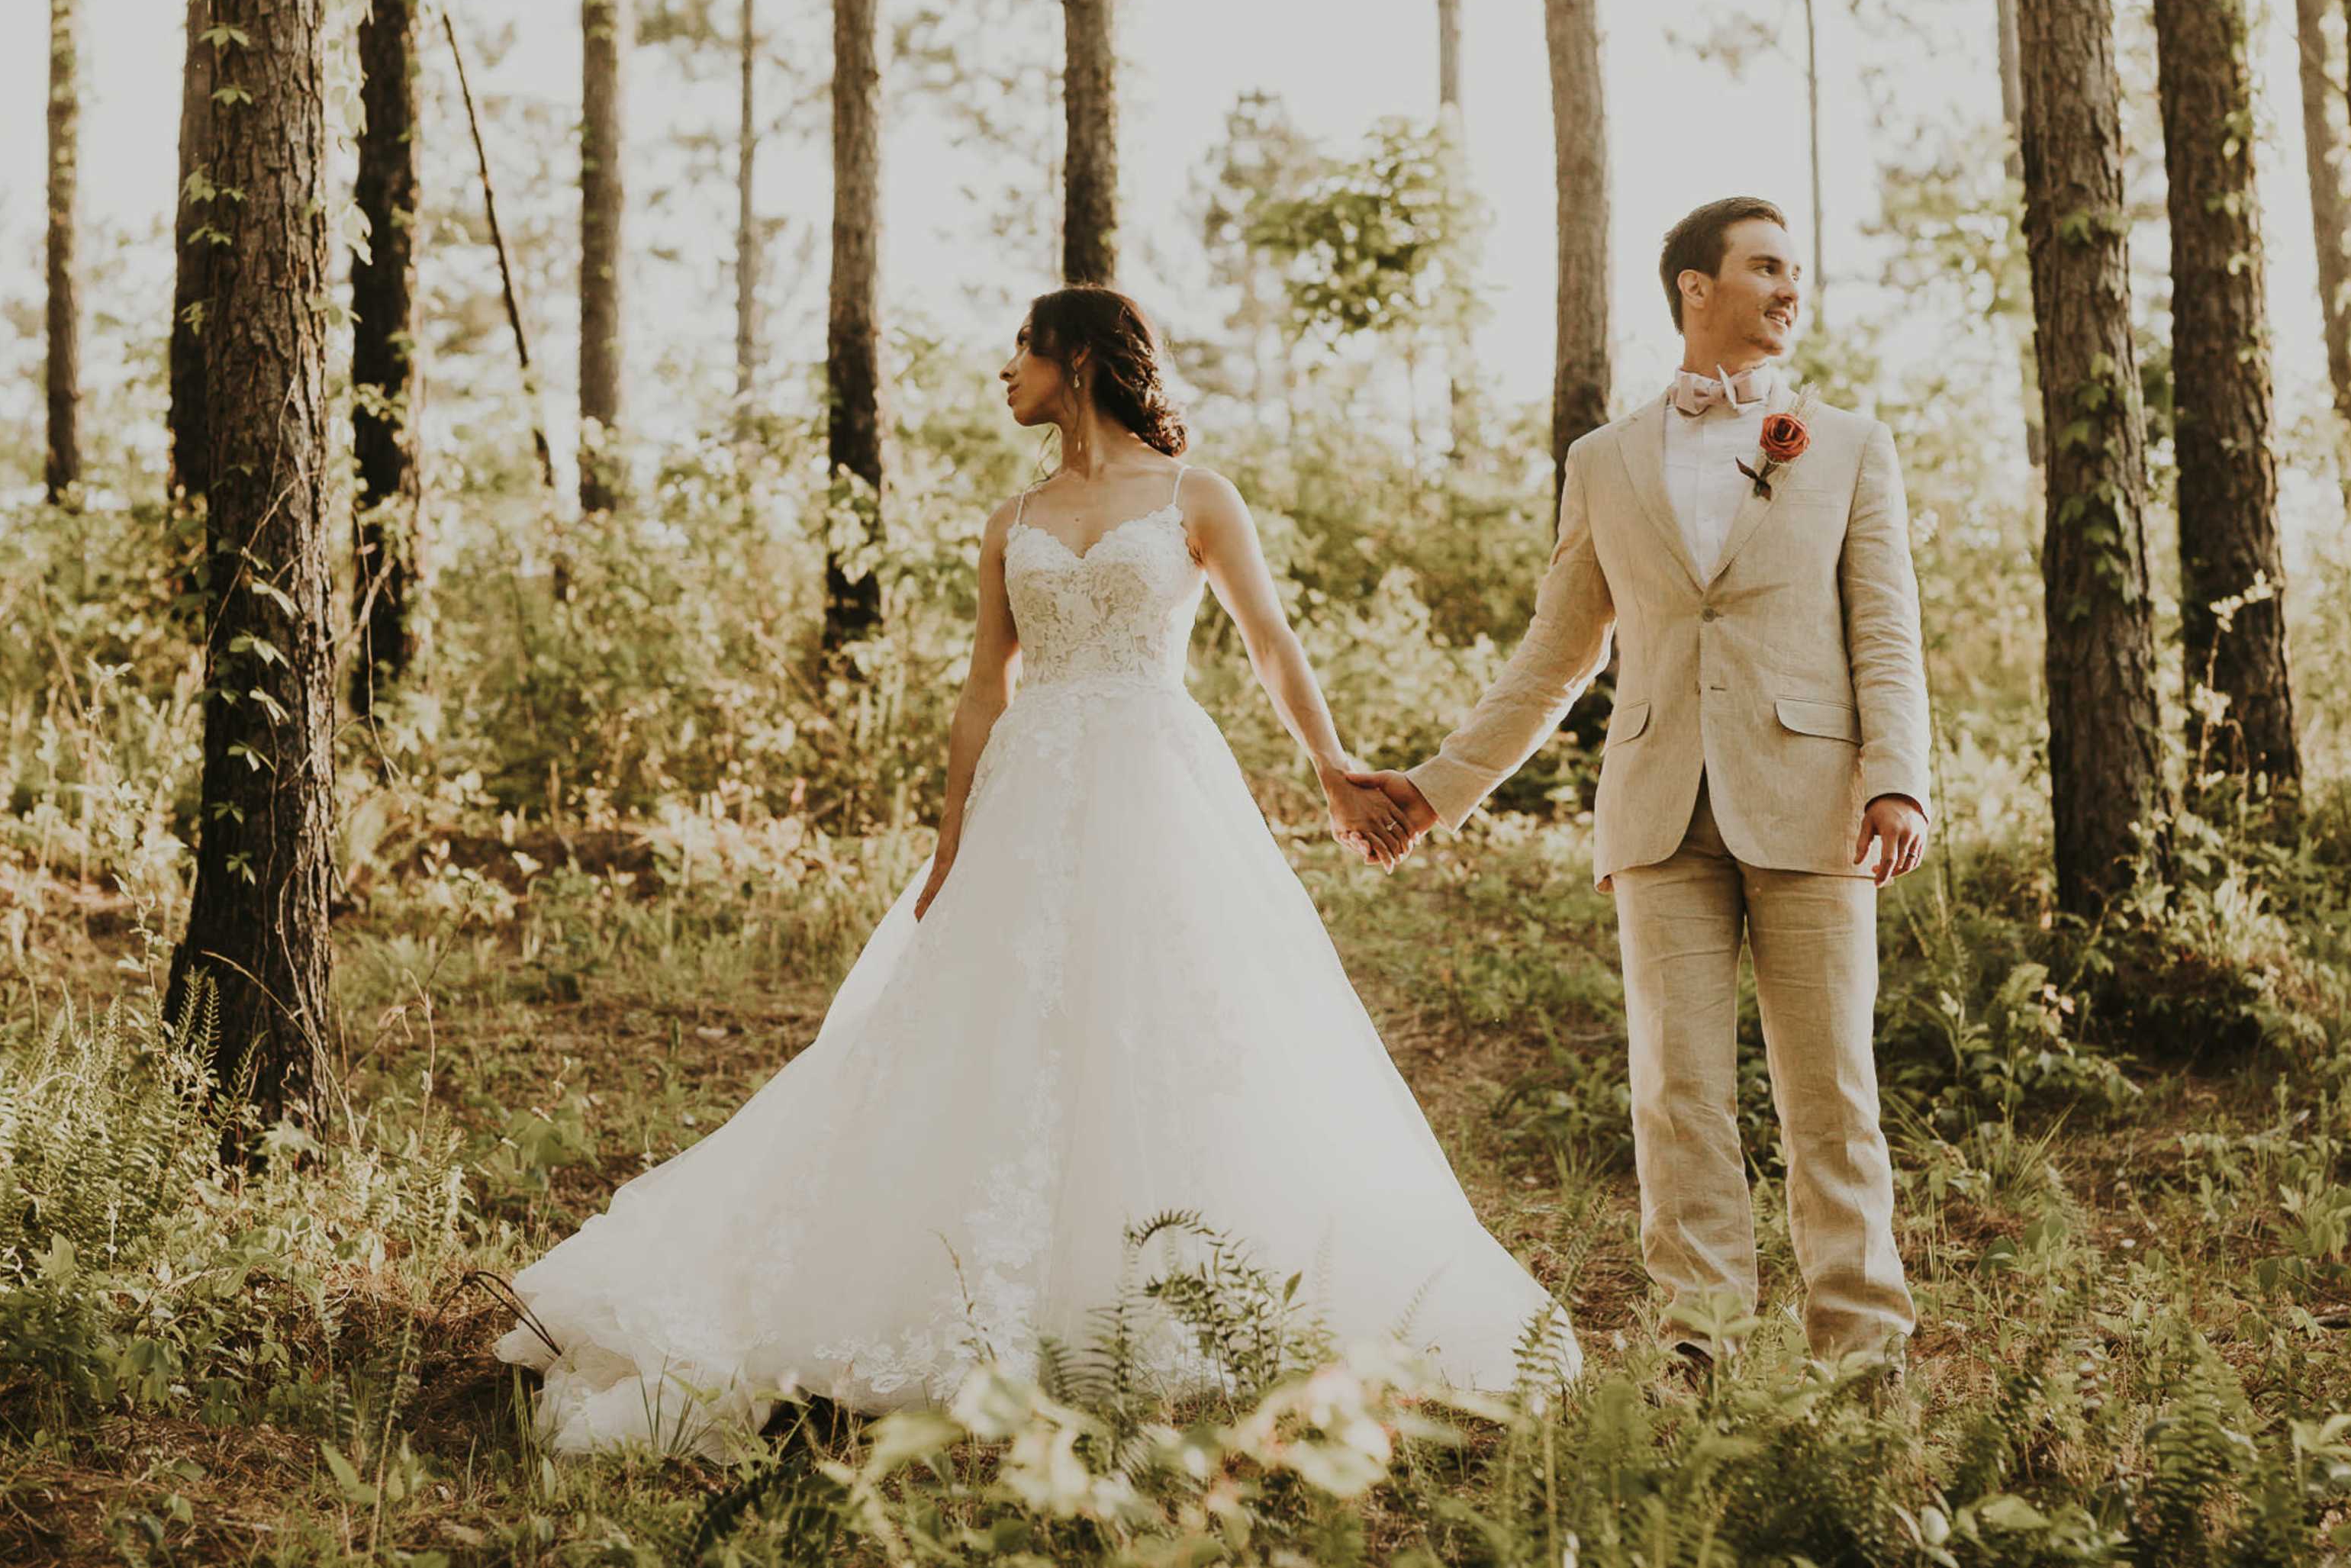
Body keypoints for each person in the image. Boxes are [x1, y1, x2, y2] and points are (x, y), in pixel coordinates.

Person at [494, 285, 1574, 1457]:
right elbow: (981, 689)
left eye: (1021, 349)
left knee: (1176, 1026)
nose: (1005, 371)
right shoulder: (1013, 518)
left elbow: (1270, 641)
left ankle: (1174, 1307)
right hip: (1031, 793)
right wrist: (952, 839)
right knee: (990, 1029)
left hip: (1160, 783)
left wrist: (1331, 769)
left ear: (1076, 358)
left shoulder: (1193, 495)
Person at [1353, 196, 1931, 1380]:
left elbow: (1887, 633)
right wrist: (1435, 787)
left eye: (1796, 269)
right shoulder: (1605, 460)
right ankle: (1701, 1349)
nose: (1789, 288)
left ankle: (1861, 1355)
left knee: (1832, 1092)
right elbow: (1554, 657)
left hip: (1816, 801)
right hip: (1659, 806)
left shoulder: (1853, 445)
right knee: (1677, 1096)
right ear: (1693, 288)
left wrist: (1899, 781)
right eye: (1765, 266)